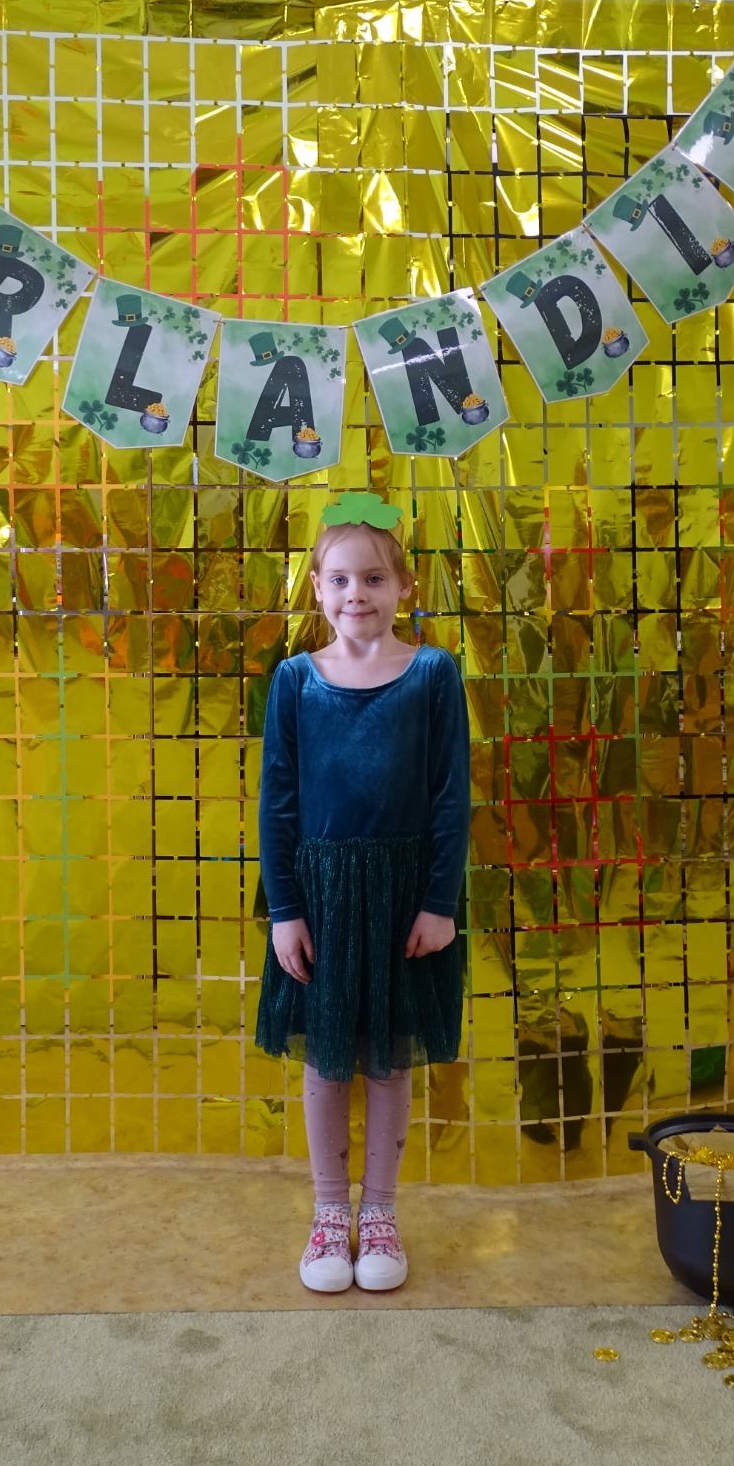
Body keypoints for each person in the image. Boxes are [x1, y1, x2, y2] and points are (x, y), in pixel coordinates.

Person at [255, 491, 470, 1294]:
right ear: (316, 588)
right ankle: (328, 1212)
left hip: (404, 897)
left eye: (375, 579)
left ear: (404, 586)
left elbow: (451, 796)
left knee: (387, 1058)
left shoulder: (433, 674)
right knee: (326, 1058)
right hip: (321, 897)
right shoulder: (295, 681)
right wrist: (285, 911)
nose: (357, 595)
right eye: (341, 580)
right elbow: (277, 803)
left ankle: (378, 1211)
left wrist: (439, 903)